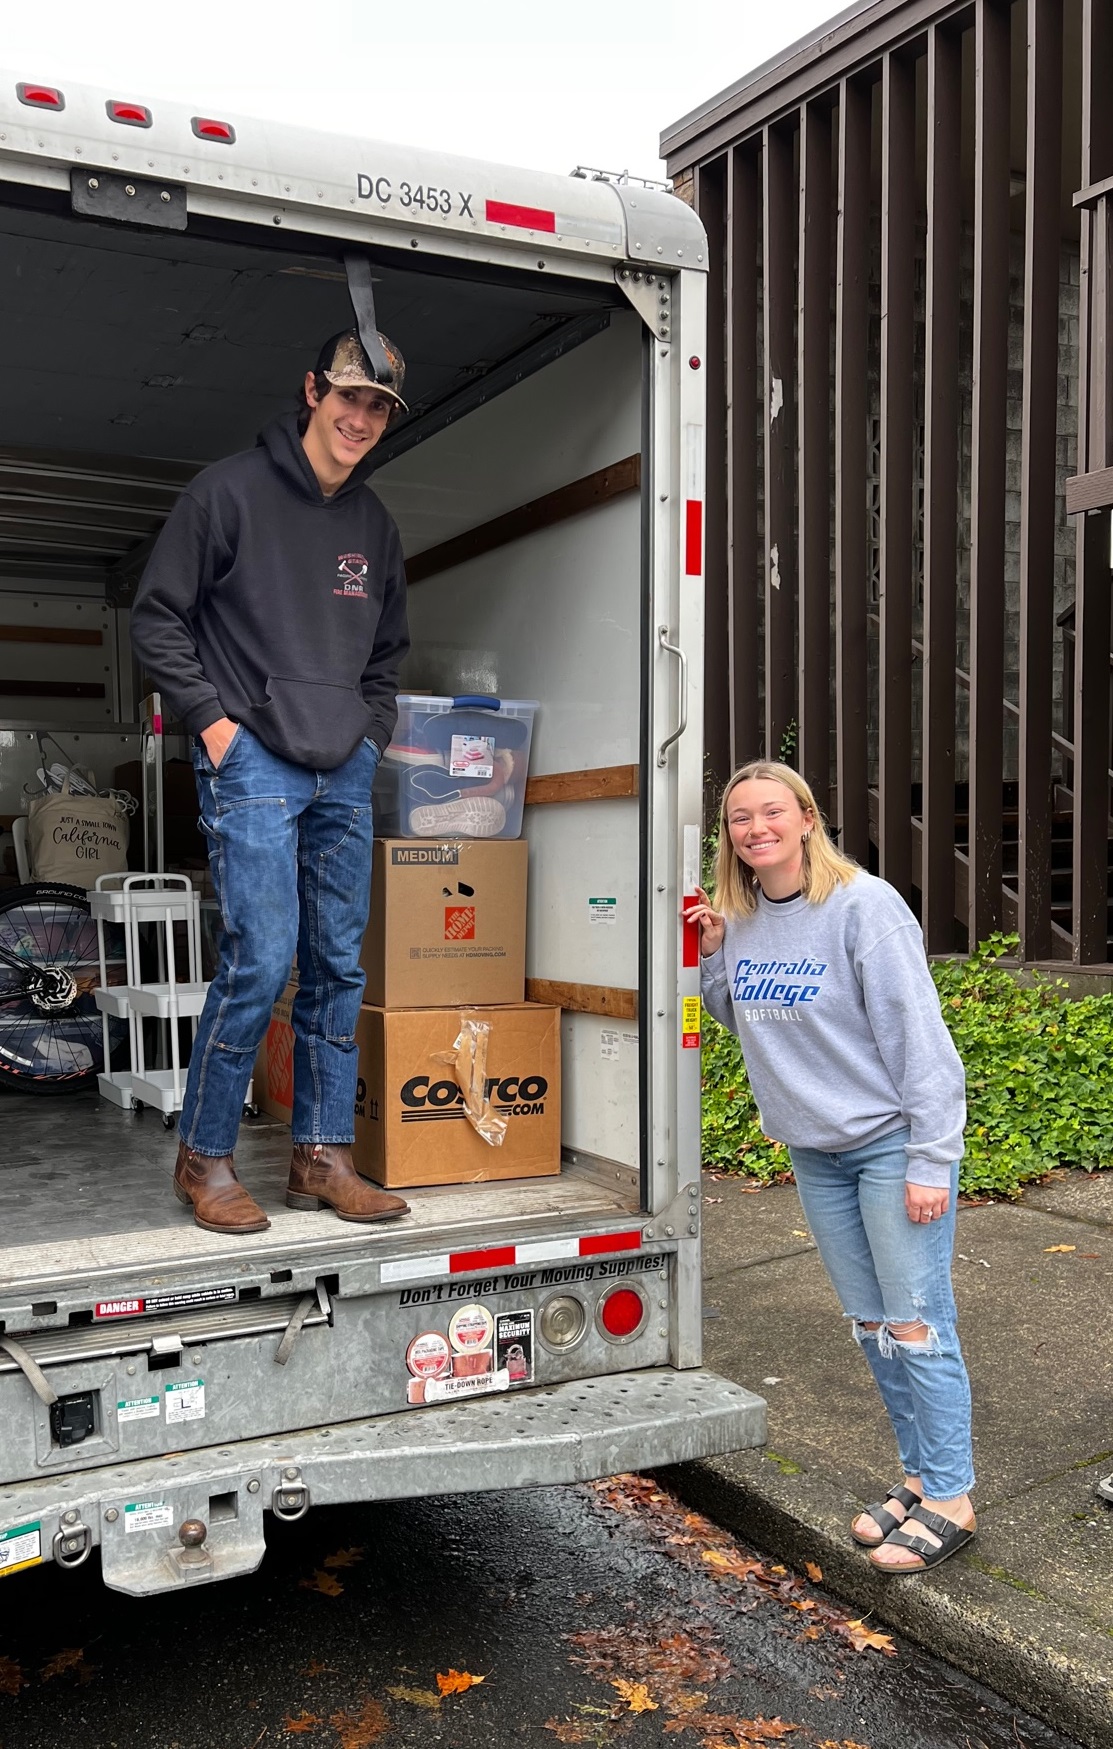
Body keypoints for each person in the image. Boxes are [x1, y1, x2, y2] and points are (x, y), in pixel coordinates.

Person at [130, 329, 413, 1235]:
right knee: (260, 961)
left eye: (377, 406)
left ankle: (320, 1157)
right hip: (252, 761)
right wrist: (217, 729)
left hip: (341, 772)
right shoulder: (227, 493)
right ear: (311, 391)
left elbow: (389, 656)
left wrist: (369, 740)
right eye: (349, 396)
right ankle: (204, 1156)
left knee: (336, 966)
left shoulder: (374, 526)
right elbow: (157, 618)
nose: (360, 417)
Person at [686, 760, 976, 1574]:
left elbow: (922, 1044)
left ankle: (952, 1494)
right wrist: (711, 954)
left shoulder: (862, 906)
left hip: (888, 1146)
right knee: (875, 1326)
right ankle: (917, 1475)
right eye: (739, 818)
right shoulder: (742, 918)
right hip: (816, 1153)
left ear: (806, 817)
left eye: (770, 811)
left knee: (918, 1322)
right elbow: (742, 1015)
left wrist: (929, 1158)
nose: (754, 828)